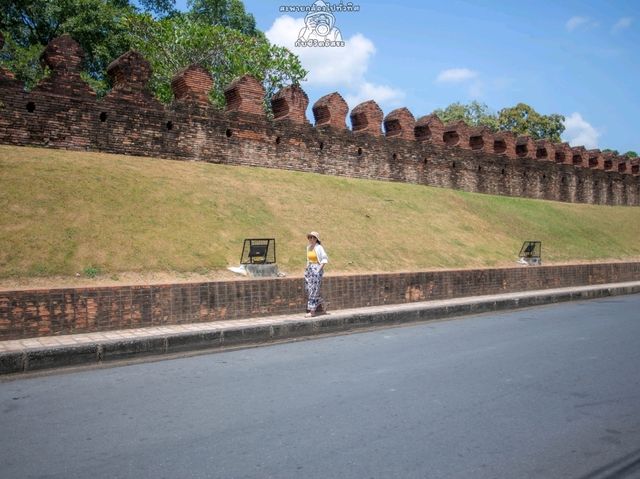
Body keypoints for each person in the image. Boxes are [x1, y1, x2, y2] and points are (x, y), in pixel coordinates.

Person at [305, 231, 328, 317]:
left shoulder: (319, 248)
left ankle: (312, 312)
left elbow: (324, 259)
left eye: (313, 237)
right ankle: (320, 301)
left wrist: (319, 269)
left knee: (313, 290)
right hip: (309, 270)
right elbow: (308, 259)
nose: (311, 239)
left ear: (316, 239)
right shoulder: (308, 247)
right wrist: (306, 268)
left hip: (316, 269)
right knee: (308, 289)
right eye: (310, 237)